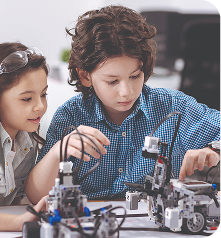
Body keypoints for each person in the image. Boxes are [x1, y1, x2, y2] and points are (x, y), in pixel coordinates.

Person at [30, 5, 221, 201]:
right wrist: (57, 152)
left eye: (135, 76)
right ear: (85, 76)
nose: (127, 91)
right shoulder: (70, 115)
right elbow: (37, 196)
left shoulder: (173, 106)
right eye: (112, 81)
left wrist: (213, 149)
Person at [0, 42, 109, 231]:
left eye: (43, 94)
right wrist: (18, 223)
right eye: (26, 98)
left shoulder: (28, 140)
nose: (40, 106)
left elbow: (12, 200)